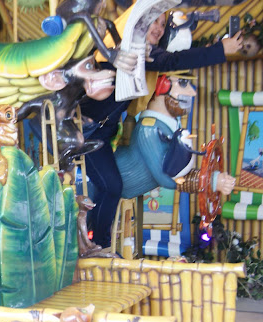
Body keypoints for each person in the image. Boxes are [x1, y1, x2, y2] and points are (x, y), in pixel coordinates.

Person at [80, 12, 243, 248]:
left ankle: (95, 239)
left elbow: (167, 59)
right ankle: (99, 244)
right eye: (153, 21)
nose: (158, 27)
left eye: (162, 23)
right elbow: (170, 61)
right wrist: (220, 50)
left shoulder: (145, 58)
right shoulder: (128, 52)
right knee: (112, 186)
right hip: (86, 132)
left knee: (110, 186)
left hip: (103, 133)